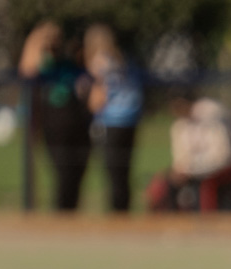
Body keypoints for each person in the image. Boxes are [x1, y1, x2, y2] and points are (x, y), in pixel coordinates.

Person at [18, 22, 91, 212]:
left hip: (79, 127)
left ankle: (71, 215)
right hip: (54, 128)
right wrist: (38, 40)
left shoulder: (71, 63)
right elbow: (27, 69)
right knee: (63, 174)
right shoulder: (44, 65)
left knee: (76, 175)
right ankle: (62, 216)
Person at [146, 96, 231, 213]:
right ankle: (170, 220)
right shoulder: (179, 125)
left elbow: (224, 155)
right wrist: (184, 169)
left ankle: (208, 220)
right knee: (161, 185)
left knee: (206, 184)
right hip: (193, 169)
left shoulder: (213, 117)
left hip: (221, 167)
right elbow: (180, 157)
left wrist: (196, 168)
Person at [85, 24, 141, 214]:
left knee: (113, 173)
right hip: (131, 120)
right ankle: (124, 212)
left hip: (112, 122)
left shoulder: (99, 62)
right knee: (124, 173)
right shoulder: (123, 60)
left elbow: (98, 100)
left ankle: (117, 218)